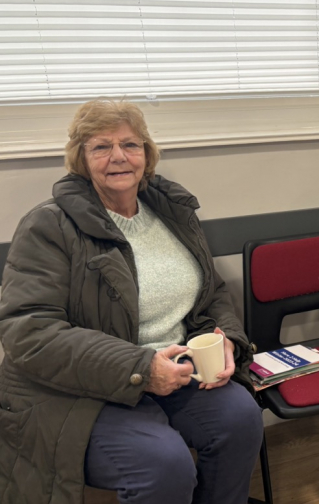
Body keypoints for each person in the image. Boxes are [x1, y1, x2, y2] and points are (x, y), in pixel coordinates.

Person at [0, 99, 263, 504]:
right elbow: (29, 332)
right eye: (101, 146)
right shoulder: (48, 225)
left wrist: (226, 336)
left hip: (176, 372)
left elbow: (212, 294)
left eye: (130, 144)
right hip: (82, 391)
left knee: (242, 418)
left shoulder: (173, 213)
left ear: (147, 154)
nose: (119, 157)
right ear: (81, 159)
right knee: (164, 464)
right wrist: (140, 367)